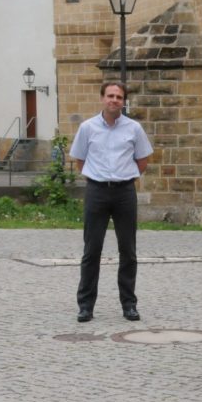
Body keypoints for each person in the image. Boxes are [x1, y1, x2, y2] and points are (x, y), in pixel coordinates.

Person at [70, 82, 152, 323]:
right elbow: (80, 160)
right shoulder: (87, 128)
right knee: (91, 250)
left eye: (118, 97)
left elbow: (143, 159)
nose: (114, 100)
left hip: (124, 191)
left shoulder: (134, 129)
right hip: (96, 191)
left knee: (128, 250)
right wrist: (99, 177)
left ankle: (129, 304)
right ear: (102, 98)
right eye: (110, 96)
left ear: (123, 101)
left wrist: (124, 176)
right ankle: (85, 305)